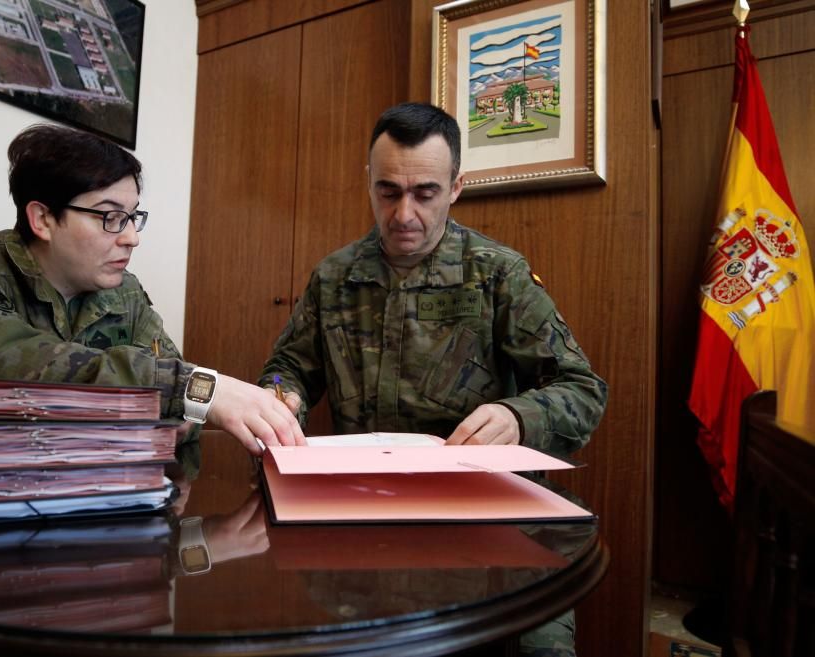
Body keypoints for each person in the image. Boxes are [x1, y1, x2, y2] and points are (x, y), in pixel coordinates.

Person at [258, 102, 607, 656]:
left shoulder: (496, 273)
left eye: (425, 192)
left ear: (456, 188)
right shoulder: (334, 276)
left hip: (485, 521)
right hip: (362, 518)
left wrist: (518, 417)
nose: (403, 214)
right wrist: (281, 398)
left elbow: (582, 389)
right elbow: (289, 366)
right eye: (388, 191)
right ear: (368, 184)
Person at [0, 123, 304, 473]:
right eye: (110, 217)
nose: (132, 238)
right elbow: (9, 380)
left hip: (84, 503)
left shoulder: (125, 293)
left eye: (133, 216)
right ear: (43, 218)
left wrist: (182, 400)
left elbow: (181, 420)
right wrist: (191, 390)